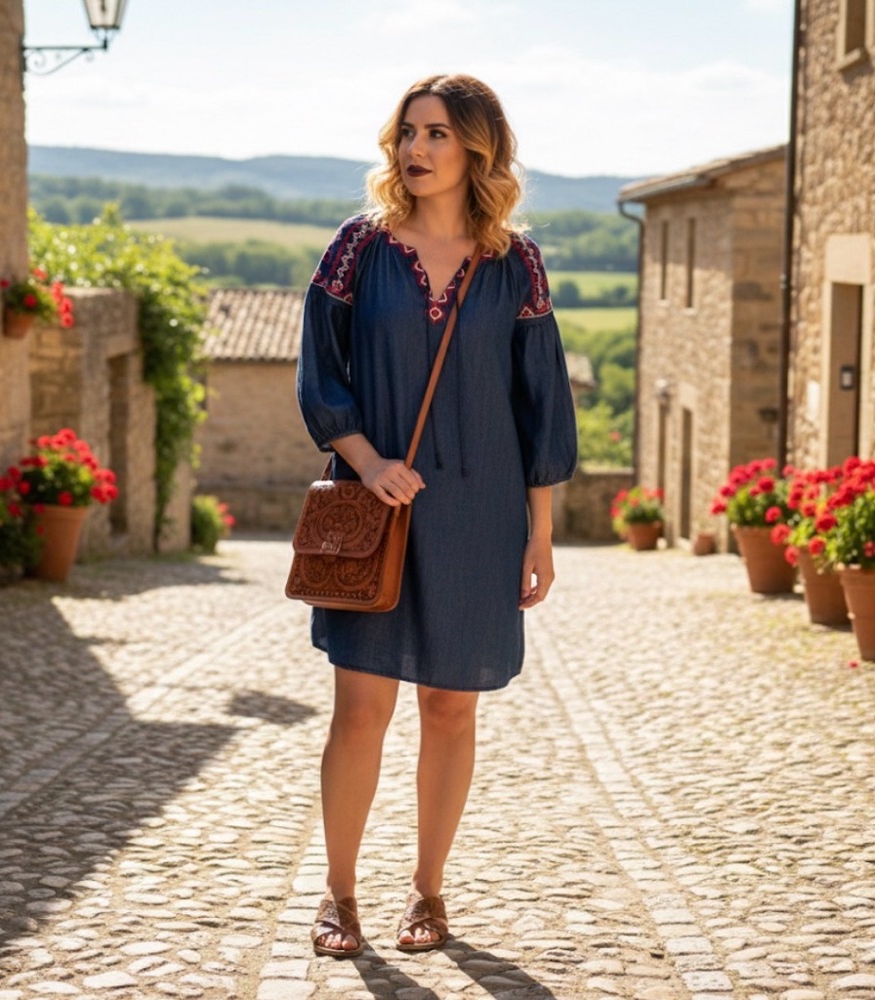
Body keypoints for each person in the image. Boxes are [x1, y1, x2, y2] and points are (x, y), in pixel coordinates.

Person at [296, 73, 578, 957]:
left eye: (437, 136)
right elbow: (320, 374)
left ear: (478, 150)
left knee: (452, 710)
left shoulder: (515, 264)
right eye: (408, 133)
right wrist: (368, 460)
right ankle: (338, 896)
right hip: (375, 509)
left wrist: (539, 531)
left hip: (481, 513)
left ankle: (428, 892)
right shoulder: (358, 249)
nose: (415, 151)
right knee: (360, 709)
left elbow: (542, 402)